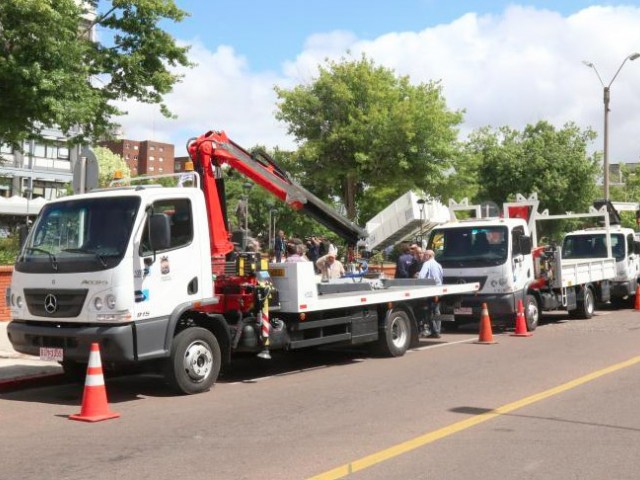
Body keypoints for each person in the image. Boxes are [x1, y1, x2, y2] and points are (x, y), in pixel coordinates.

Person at [418, 249, 444, 338]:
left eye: (425, 255)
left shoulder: (427, 264)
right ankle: (438, 330)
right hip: (439, 289)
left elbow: (421, 277)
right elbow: (441, 277)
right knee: (437, 311)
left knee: (430, 311)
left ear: (429, 256)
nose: (424, 256)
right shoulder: (439, 265)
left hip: (431, 290)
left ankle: (434, 331)